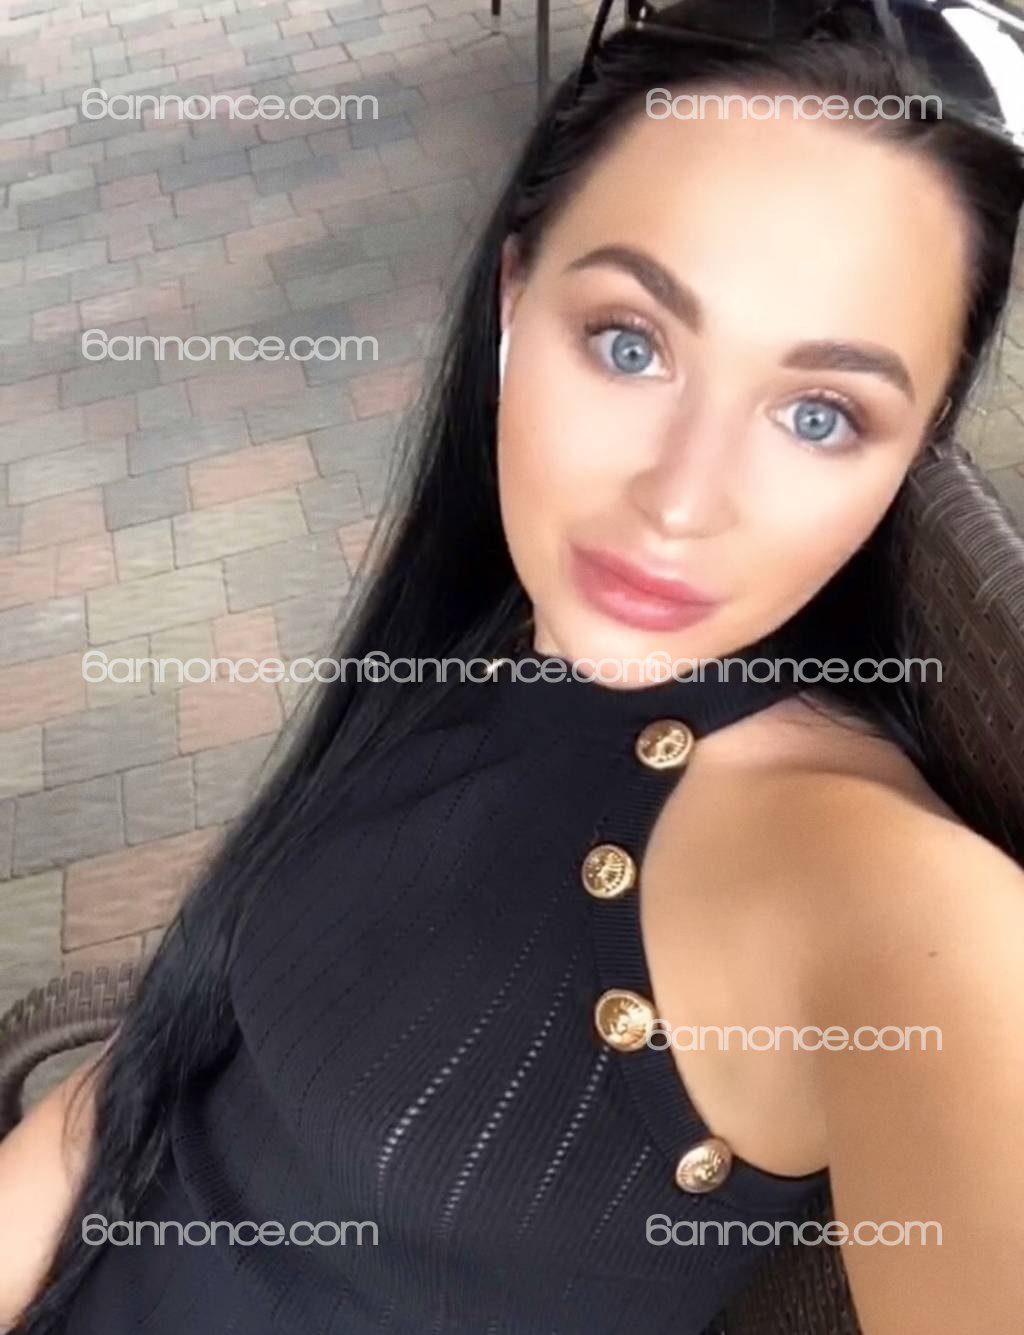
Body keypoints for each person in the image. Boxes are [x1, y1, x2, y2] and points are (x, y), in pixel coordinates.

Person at [2, 1, 1024, 1331]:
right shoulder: (479, 639)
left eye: (821, 414)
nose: (679, 501)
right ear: (512, 302)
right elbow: (131, 1094)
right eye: (630, 344)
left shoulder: (879, 902)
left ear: (914, 452)